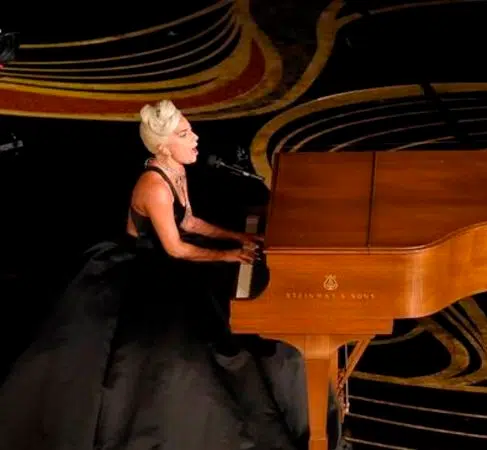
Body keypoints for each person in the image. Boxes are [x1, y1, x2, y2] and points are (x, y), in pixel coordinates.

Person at [0, 100, 342, 450]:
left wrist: (239, 237)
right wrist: (227, 255)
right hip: (147, 265)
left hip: (170, 256)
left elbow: (189, 222)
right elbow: (176, 248)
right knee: (184, 345)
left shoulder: (176, 168)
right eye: (184, 134)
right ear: (163, 147)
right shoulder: (155, 187)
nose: (195, 138)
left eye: (190, 131)